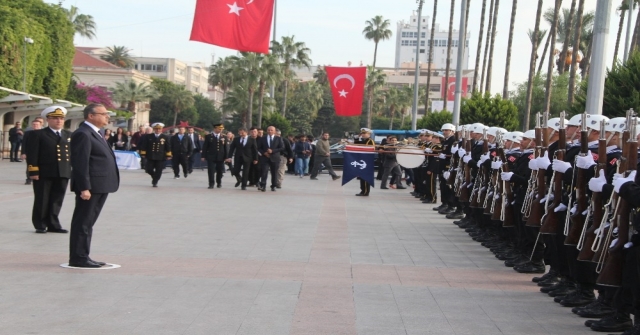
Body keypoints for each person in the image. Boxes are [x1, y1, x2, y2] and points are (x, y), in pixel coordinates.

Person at [68, 103, 120, 268]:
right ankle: (78, 258)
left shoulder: (96, 132)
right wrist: (84, 187)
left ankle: (84, 254)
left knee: (88, 222)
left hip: (100, 185)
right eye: (103, 113)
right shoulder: (83, 134)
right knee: (83, 222)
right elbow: (80, 163)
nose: (107, 116)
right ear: (91, 116)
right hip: (91, 187)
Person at [26, 106, 72, 234]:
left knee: (57, 199)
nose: (59, 121)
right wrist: (33, 171)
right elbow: (32, 154)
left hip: (63, 171)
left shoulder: (68, 135)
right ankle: (40, 224)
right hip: (44, 172)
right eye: (55, 118)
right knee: (42, 198)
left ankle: (53, 224)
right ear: (48, 119)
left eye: (61, 118)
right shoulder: (38, 134)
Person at [139, 123, 172, 187]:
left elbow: (168, 146)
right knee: (148, 169)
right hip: (151, 155)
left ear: (161, 129)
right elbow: (144, 145)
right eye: (156, 129)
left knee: (159, 170)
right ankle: (154, 176)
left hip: (160, 156)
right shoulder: (149, 136)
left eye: (159, 129)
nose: (158, 130)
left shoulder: (165, 137)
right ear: (154, 129)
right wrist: (143, 153)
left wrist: (168, 155)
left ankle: (155, 181)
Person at [257, 126, 284, 192]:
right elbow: (258, 148)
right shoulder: (262, 138)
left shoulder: (278, 138)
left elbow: (282, 147)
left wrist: (272, 151)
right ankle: (263, 185)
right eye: (268, 130)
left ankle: (273, 185)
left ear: (274, 131)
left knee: (274, 172)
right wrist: (264, 153)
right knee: (264, 172)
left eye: (271, 130)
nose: (270, 131)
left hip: (275, 158)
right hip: (265, 158)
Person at [201, 123, 228, 189]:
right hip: (211, 156)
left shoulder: (224, 137)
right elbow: (205, 147)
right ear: (215, 129)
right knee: (211, 170)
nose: (220, 130)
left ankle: (219, 182)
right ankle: (211, 184)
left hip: (220, 156)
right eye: (219, 129)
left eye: (221, 129)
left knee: (220, 171)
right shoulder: (209, 136)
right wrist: (203, 156)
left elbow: (226, 148)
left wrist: (226, 157)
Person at [21, 117, 44, 185]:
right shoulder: (28, 133)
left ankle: (40, 177)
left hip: (41, 153)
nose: (35, 126)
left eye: (37, 124)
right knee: (30, 166)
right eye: (34, 124)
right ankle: (28, 178)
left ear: (40, 125)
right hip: (30, 152)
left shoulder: (44, 133)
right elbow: (24, 143)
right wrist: (23, 153)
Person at [355, 128, 375, 196]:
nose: (362, 135)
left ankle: (366, 191)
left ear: (369, 134)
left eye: (364, 133)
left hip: (367, 161)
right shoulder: (364, 140)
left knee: (365, 177)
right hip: (362, 160)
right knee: (361, 177)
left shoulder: (370, 141)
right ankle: (362, 190)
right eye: (362, 133)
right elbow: (356, 145)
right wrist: (357, 138)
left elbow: (372, 149)